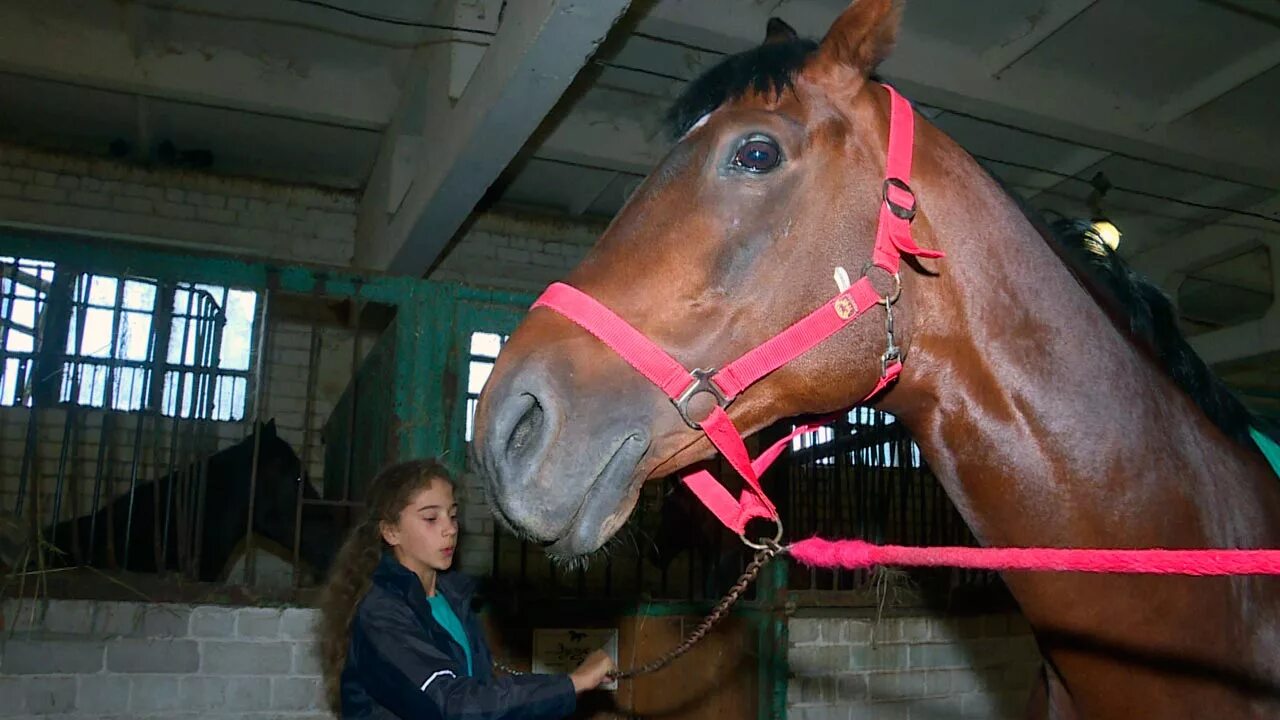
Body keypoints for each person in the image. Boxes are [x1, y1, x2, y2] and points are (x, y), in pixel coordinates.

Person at [317, 458, 615, 718]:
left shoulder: (450, 598)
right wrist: (571, 684)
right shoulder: (381, 613)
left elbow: (478, 691)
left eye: (453, 514)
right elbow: (450, 703)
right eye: (431, 518)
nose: (450, 529)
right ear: (391, 531)